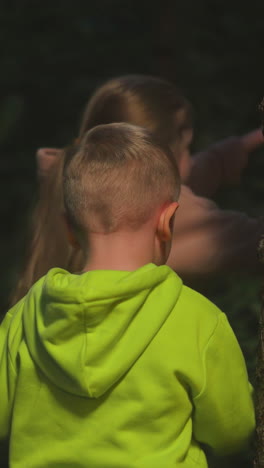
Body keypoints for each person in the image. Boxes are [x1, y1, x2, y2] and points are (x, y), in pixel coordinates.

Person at [0, 123, 255, 467]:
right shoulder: (198, 321)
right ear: (168, 221)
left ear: (69, 229)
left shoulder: (24, 317)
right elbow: (232, 432)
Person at [10, 74, 264, 305]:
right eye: (187, 147)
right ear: (163, 155)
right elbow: (254, 243)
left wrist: (226, 156)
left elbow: (182, 177)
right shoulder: (164, 217)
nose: (191, 156)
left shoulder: (69, 181)